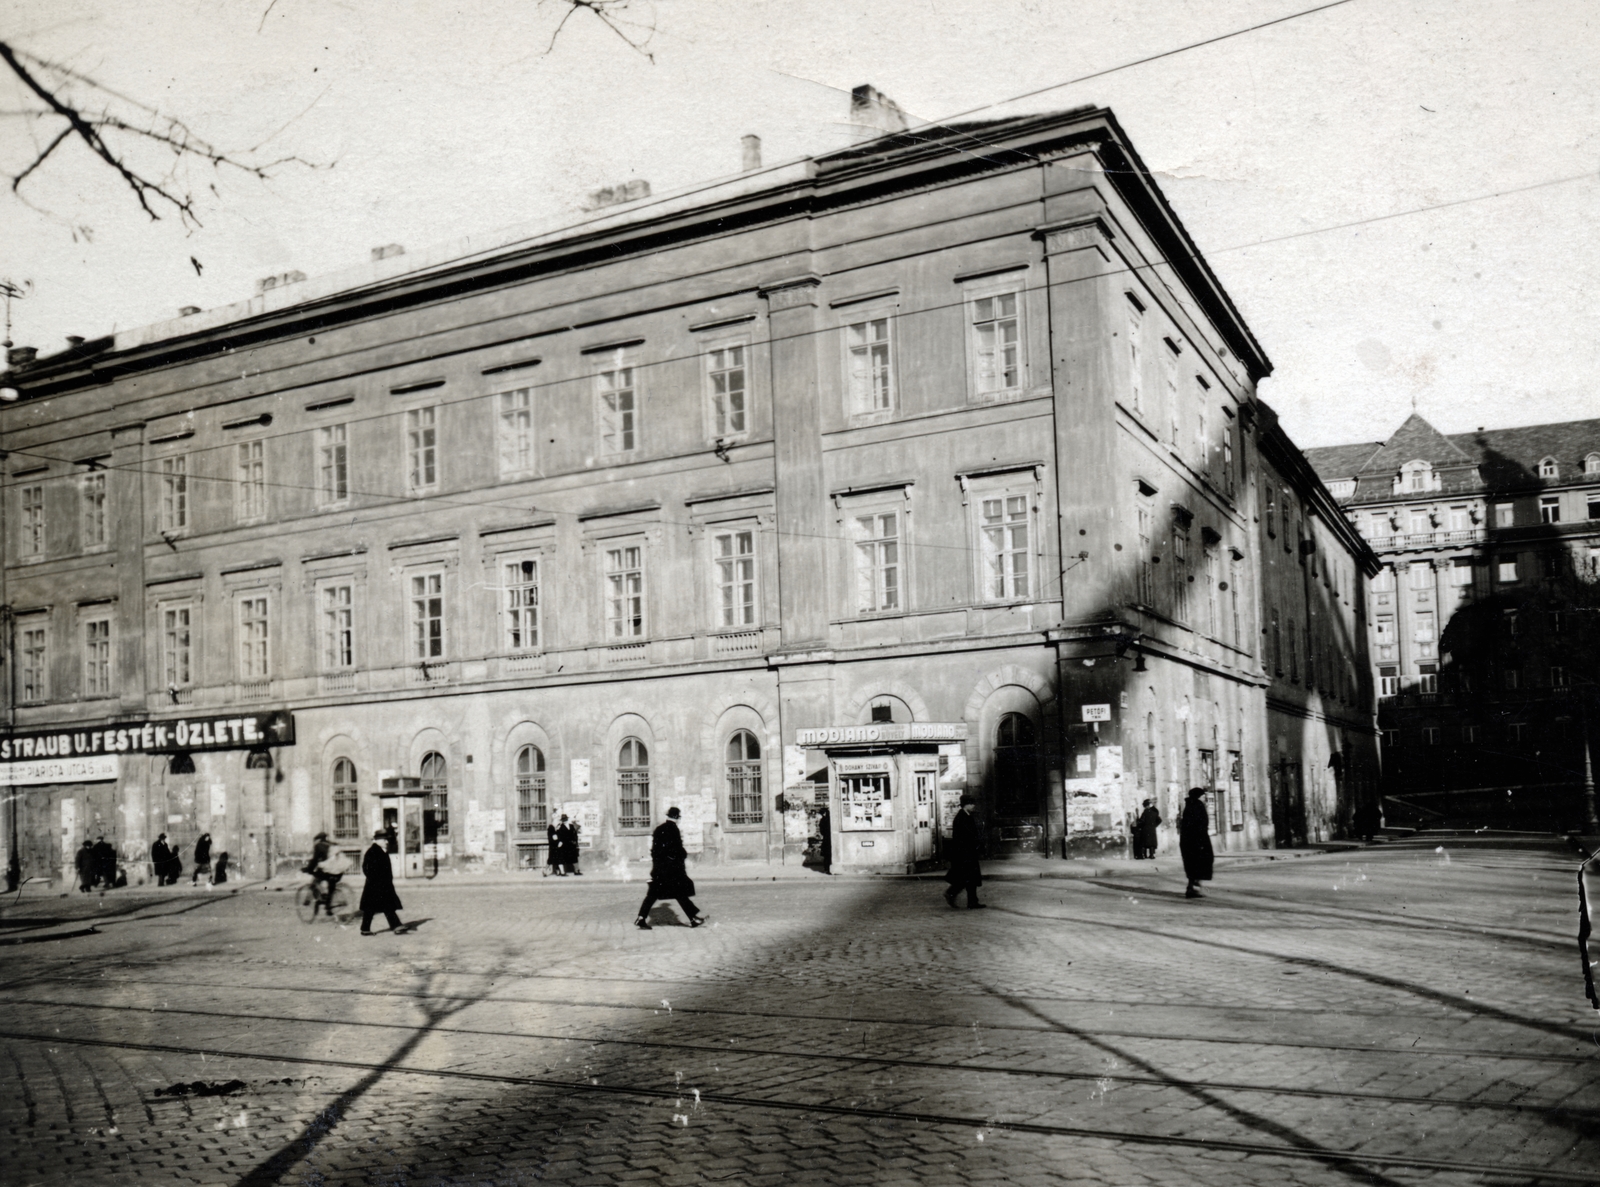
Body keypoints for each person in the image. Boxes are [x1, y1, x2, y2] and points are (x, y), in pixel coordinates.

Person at [634, 806, 705, 929]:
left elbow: (655, 851)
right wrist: (683, 855)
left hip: (659, 869)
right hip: (671, 870)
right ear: (677, 817)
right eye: (679, 817)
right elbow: (676, 850)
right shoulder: (674, 829)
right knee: (679, 893)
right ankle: (693, 918)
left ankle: (641, 918)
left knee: (654, 895)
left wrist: (658, 865)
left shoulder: (659, 829)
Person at [359, 828, 406, 935]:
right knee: (385, 906)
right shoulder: (373, 852)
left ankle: (365, 929)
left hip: (378, 884)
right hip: (377, 885)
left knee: (371, 907)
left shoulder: (379, 851)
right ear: (378, 840)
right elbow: (366, 868)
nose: (387, 842)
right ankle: (396, 926)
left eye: (387, 839)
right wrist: (376, 880)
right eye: (385, 840)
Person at [943, 794, 984, 909]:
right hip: (965, 853)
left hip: (967, 852)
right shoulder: (962, 817)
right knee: (967, 878)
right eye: (971, 804)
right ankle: (954, 894)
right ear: (966, 805)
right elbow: (964, 837)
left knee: (968, 878)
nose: (973, 806)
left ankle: (971, 901)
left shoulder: (966, 816)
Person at [1179, 787, 1214, 899]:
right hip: (1198, 839)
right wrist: (1202, 840)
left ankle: (1191, 887)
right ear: (1199, 796)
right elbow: (1201, 823)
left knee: (1192, 864)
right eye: (1203, 795)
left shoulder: (1188, 805)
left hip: (1187, 840)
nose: (1204, 798)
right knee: (1202, 861)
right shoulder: (1198, 805)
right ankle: (1194, 887)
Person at [303, 831, 339, 914]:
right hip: (337, 870)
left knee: (316, 880)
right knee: (331, 886)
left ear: (319, 839)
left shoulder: (319, 846)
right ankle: (328, 906)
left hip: (327, 870)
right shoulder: (332, 844)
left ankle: (319, 900)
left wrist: (308, 869)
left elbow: (315, 860)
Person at [815, 804, 832, 875]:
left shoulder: (823, 820)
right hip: (830, 838)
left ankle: (826, 868)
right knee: (829, 854)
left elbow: (822, 831)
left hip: (826, 839)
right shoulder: (830, 819)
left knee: (826, 855)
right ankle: (828, 868)